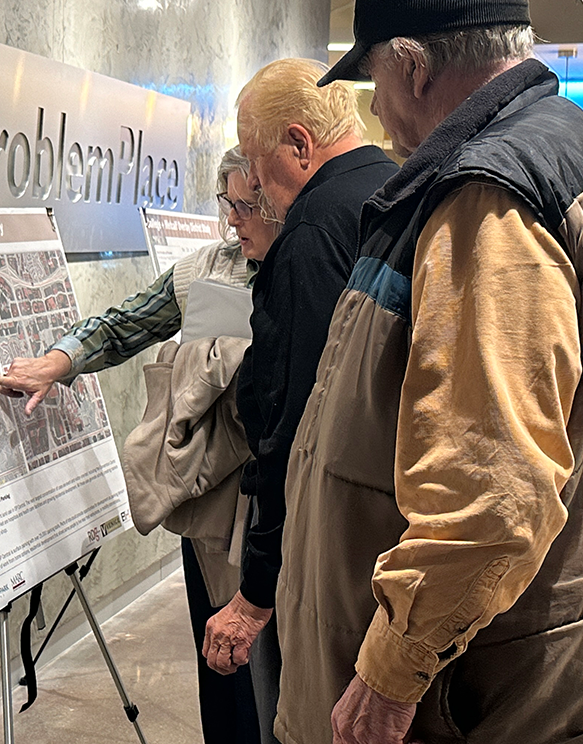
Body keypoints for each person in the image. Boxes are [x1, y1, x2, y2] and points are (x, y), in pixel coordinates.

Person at [281, 0, 583, 744]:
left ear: (412, 65)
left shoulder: (490, 197)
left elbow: (492, 497)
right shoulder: (578, 151)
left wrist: (388, 671)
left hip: (520, 702)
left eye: (373, 80)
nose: (377, 111)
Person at [0, 148, 282, 744]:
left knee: (278, 682)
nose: (235, 220)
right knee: (221, 668)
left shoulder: (312, 264)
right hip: (210, 507)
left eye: (249, 205)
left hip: (280, 503)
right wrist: (59, 361)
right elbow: (126, 322)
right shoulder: (205, 270)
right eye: (228, 204)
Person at [200, 58, 398, 734]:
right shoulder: (395, 188)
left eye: (257, 163)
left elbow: (297, 419)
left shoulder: (312, 230)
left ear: (298, 143)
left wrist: (256, 592)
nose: (252, 186)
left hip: (331, 531)